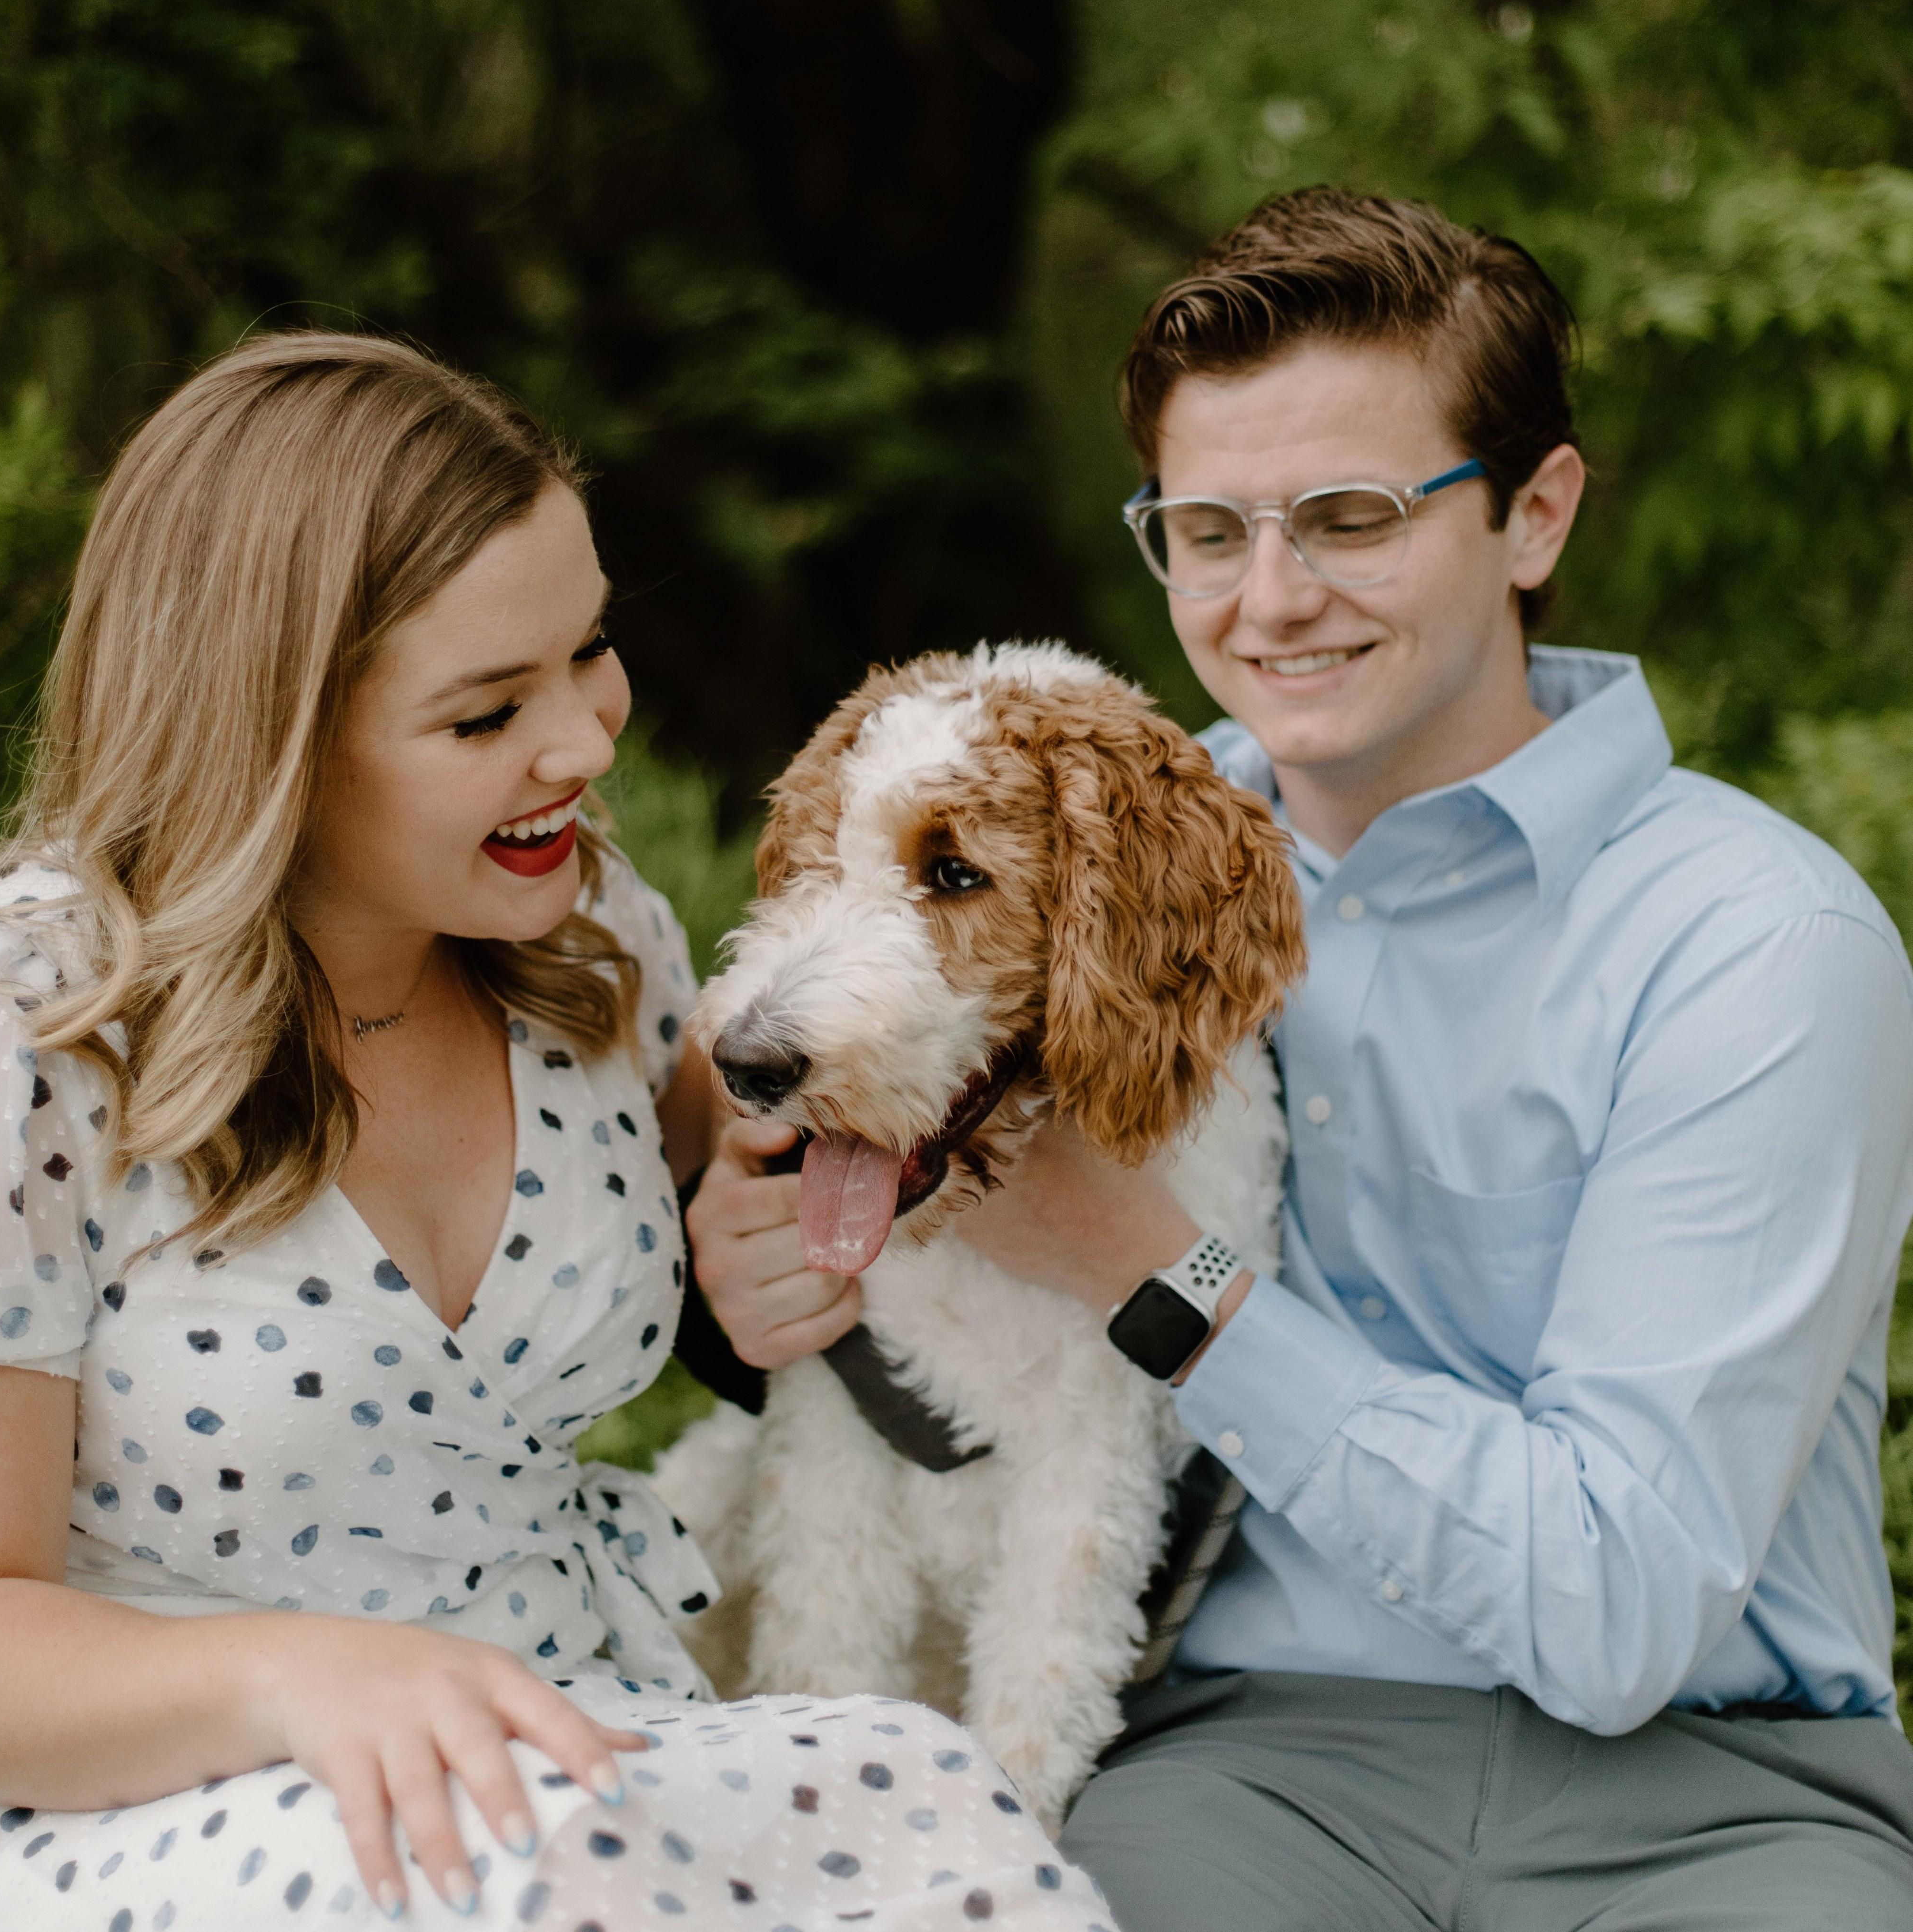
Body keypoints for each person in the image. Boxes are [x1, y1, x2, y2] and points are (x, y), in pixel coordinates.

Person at [687, 190, 1913, 1928]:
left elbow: (1616, 1611)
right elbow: (851, 1103)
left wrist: (1151, 1268)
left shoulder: (1755, 945)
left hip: (1716, 1795)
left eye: (1348, 518)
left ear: (1532, 515)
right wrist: (763, 1277)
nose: (1270, 601)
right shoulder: (1100, 854)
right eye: (1206, 528)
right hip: (1244, 1764)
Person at [0, 333, 1115, 1931]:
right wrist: (308, 1676)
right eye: (488, 709)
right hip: (118, 1807)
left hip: (552, 1738)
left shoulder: (582, 945)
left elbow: (746, 1183)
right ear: (270, 733)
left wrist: (733, 1234)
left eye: (588, 652)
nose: (584, 740)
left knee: (939, 1821)